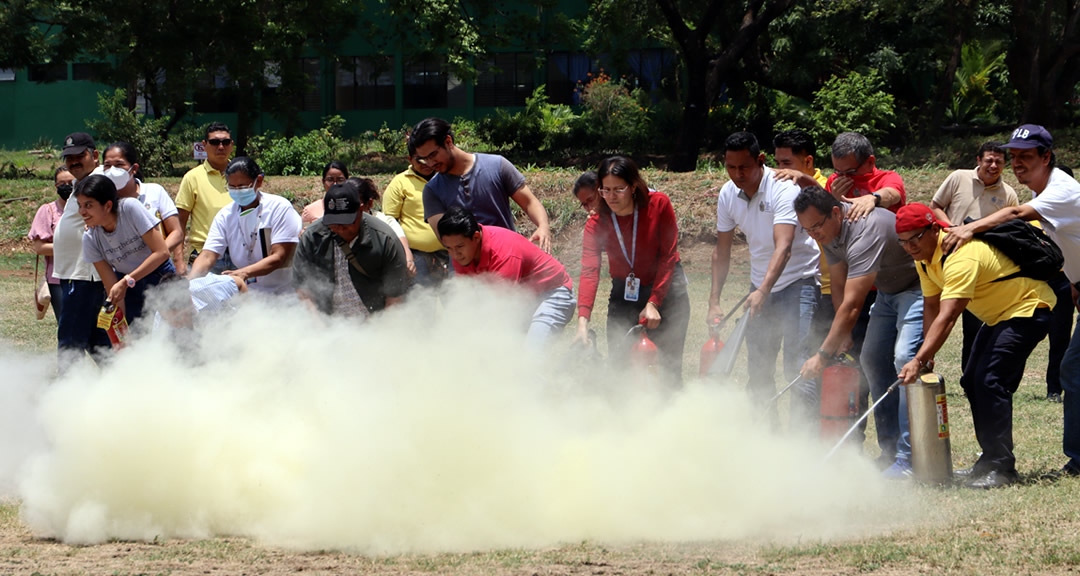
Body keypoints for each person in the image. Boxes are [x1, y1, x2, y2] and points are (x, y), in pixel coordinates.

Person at [942, 124, 1080, 479]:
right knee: (1072, 370)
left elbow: (1018, 215)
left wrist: (970, 227)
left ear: (1046, 157)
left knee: (1072, 370)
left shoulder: (1060, 190)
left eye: (1026, 157)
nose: (1017, 164)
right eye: (1014, 156)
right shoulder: (1046, 189)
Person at [896, 203, 1054, 488]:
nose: (909, 247)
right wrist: (927, 355)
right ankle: (988, 461)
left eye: (914, 239)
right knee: (972, 380)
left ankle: (1002, 468)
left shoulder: (960, 255)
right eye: (903, 242)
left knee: (990, 381)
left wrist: (919, 359)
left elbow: (950, 314)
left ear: (935, 229)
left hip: (1028, 308)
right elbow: (932, 305)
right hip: (999, 317)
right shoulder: (924, 259)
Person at [795, 185, 923, 478]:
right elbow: (838, 285)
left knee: (904, 358)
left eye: (816, 226)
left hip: (917, 288)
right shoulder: (828, 232)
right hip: (889, 292)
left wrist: (822, 354)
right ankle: (890, 451)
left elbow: (853, 305)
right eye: (807, 229)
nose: (813, 234)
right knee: (872, 360)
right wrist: (843, 334)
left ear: (836, 213)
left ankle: (909, 457)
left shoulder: (864, 229)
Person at [709, 132, 820, 424]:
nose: (737, 174)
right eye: (730, 167)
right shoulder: (727, 194)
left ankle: (803, 445)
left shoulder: (784, 189)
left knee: (798, 367)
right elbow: (722, 252)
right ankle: (766, 439)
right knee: (758, 368)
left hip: (799, 284)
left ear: (760, 160)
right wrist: (714, 301)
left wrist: (763, 290)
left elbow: (783, 247)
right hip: (759, 288)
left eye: (743, 167)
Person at [574, 156, 690, 385]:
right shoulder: (597, 222)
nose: (611, 197)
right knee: (620, 368)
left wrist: (654, 302)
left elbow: (668, 256)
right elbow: (589, 270)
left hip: (667, 291)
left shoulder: (658, 205)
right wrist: (582, 322)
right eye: (605, 190)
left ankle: (673, 416)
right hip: (625, 291)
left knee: (668, 370)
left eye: (619, 189)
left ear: (633, 186)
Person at [408, 117, 553, 252]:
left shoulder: (497, 166)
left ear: (448, 142)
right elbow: (445, 237)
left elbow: (529, 202)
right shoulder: (432, 190)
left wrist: (543, 226)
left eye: (433, 155)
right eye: (424, 159)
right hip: (467, 275)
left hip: (508, 260)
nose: (430, 163)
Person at [438, 206, 575, 345]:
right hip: (525, 299)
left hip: (553, 293)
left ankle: (583, 352)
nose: (454, 254)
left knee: (531, 355)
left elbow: (500, 312)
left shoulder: (504, 253)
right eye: (448, 248)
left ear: (476, 237)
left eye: (459, 247)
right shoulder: (461, 254)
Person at [293, 180, 410, 317]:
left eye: (346, 221)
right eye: (334, 223)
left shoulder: (385, 239)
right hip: (329, 322)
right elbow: (303, 290)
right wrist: (319, 326)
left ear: (361, 210)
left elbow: (395, 297)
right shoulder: (312, 237)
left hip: (373, 321)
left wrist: (382, 331)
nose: (340, 228)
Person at [188, 157, 302, 295]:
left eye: (242, 187)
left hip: (283, 293)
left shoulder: (279, 208)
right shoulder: (225, 215)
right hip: (247, 294)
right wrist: (190, 282)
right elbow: (207, 255)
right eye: (232, 187)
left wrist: (243, 273)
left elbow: (279, 257)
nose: (237, 191)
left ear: (258, 181)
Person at [76, 174, 174, 324]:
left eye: (88, 205)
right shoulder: (90, 238)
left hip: (160, 275)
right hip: (129, 286)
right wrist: (122, 330)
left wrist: (126, 281)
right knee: (137, 336)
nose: (82, 212)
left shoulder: (129, 208)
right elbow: (112, 288)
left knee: (176, 330)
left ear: (108, 205)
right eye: (80, 205)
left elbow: (162, 252)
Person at [53, 132, 110, 369]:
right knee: (95, 341)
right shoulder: (82, 182)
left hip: (84, 274)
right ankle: (123, 385)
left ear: (95, 155)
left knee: (71, 342)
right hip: (76, 273)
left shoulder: (97, 182)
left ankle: (68, 395)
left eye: (80, 155)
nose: (73, 161)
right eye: (69, 158)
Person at [101, 141, 185, 272]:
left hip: (159, 270)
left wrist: (154, 259)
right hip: (123, 274)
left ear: (133, 168)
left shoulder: (155, 191)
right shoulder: (102, 202)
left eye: (119, 165)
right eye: (107, 165)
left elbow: (177, 232)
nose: (112, 170)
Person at [382, 144, 450, 287]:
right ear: (410, 159)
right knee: (421, 302)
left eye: (430, 158)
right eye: (420, 160)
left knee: (455, 299)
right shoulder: (400, 182)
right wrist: (406, 256)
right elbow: (390, 221)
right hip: (417, 257)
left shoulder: (447, 178)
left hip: (451, 252)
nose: (426, 164)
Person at [176, 122, 234, 271]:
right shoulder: (192, 178)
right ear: (204, 145)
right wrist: (179, 260)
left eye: (225, 142)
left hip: (239, 256)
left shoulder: (242, 175)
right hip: (204, 255)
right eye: (214, 142)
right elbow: (180, 223)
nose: (221, 147)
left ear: (231, 145)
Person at [930, 141, 1018, 227]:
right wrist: (952, 228)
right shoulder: (958, 177)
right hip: (950, 239)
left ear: (1004, 164)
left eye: (998, 162)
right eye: (989, 161)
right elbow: (935, 206)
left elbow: (1015, 224)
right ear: (979, 160)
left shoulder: (1009, 194)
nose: (993, 166)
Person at [826, 132, 907, 220]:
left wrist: (873, 198)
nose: (844, 177)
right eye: (838, 171)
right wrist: (834, 202)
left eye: (850, 172)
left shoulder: (887, 177)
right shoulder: (834, 182)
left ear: (870, 162)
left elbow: (891, 194)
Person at [28, 166, 74, 319]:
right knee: (66, 323)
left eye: (71, 182)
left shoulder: (88, 209)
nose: (67, 186)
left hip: (88, 278)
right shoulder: (47, 211)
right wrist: (73, 248)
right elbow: (40, 248)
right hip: (58, 280)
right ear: (56, 187)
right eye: (62, 183)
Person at [349, 176, 414, 274]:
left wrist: (408, 262)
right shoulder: (336, 223)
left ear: (369, 203)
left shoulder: (386, 222)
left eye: (356, 207)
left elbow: (403, 246)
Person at [300, 161, 349, 225]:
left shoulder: (354, 208)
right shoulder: (310, 211)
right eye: (330, 180)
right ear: (323, 182)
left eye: (340, 180)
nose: (335, 184)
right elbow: (304, 233)